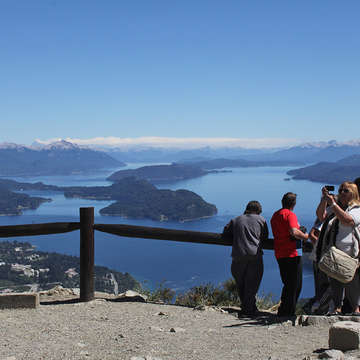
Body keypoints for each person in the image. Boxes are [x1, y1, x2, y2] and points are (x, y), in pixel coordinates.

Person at [316, 182, 360, 314]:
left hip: (352, 251)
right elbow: (321, 216)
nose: (341, 193)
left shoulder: (356, 209)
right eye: (340, 190)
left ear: (353, 193)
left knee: (352, 280)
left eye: (345, 191)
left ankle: (356, 308)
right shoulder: (337, 208)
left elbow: (348, 220)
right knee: (335, 279)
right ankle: (337, 307)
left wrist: (333, 204)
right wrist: (324, 200)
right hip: (336, 250)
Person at [223, 200, 269, 316]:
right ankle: (248, 310)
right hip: (254, 256)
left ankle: (247, 308)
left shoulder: (236, 220)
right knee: (252, 284)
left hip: (238, 255)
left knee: (241, 283)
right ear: (258, 211)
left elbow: (225, 232)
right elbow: (265, 236)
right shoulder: (261, 220)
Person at [270, 192, 309, 317]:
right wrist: (305, 236)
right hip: (292, 253)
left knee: (287, 283)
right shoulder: (290, 214)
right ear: (294, 203)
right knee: (295, 285)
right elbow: (293, 231)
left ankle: (284, 310)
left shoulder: (275, 215)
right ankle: (288, 312)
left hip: (280, 253)